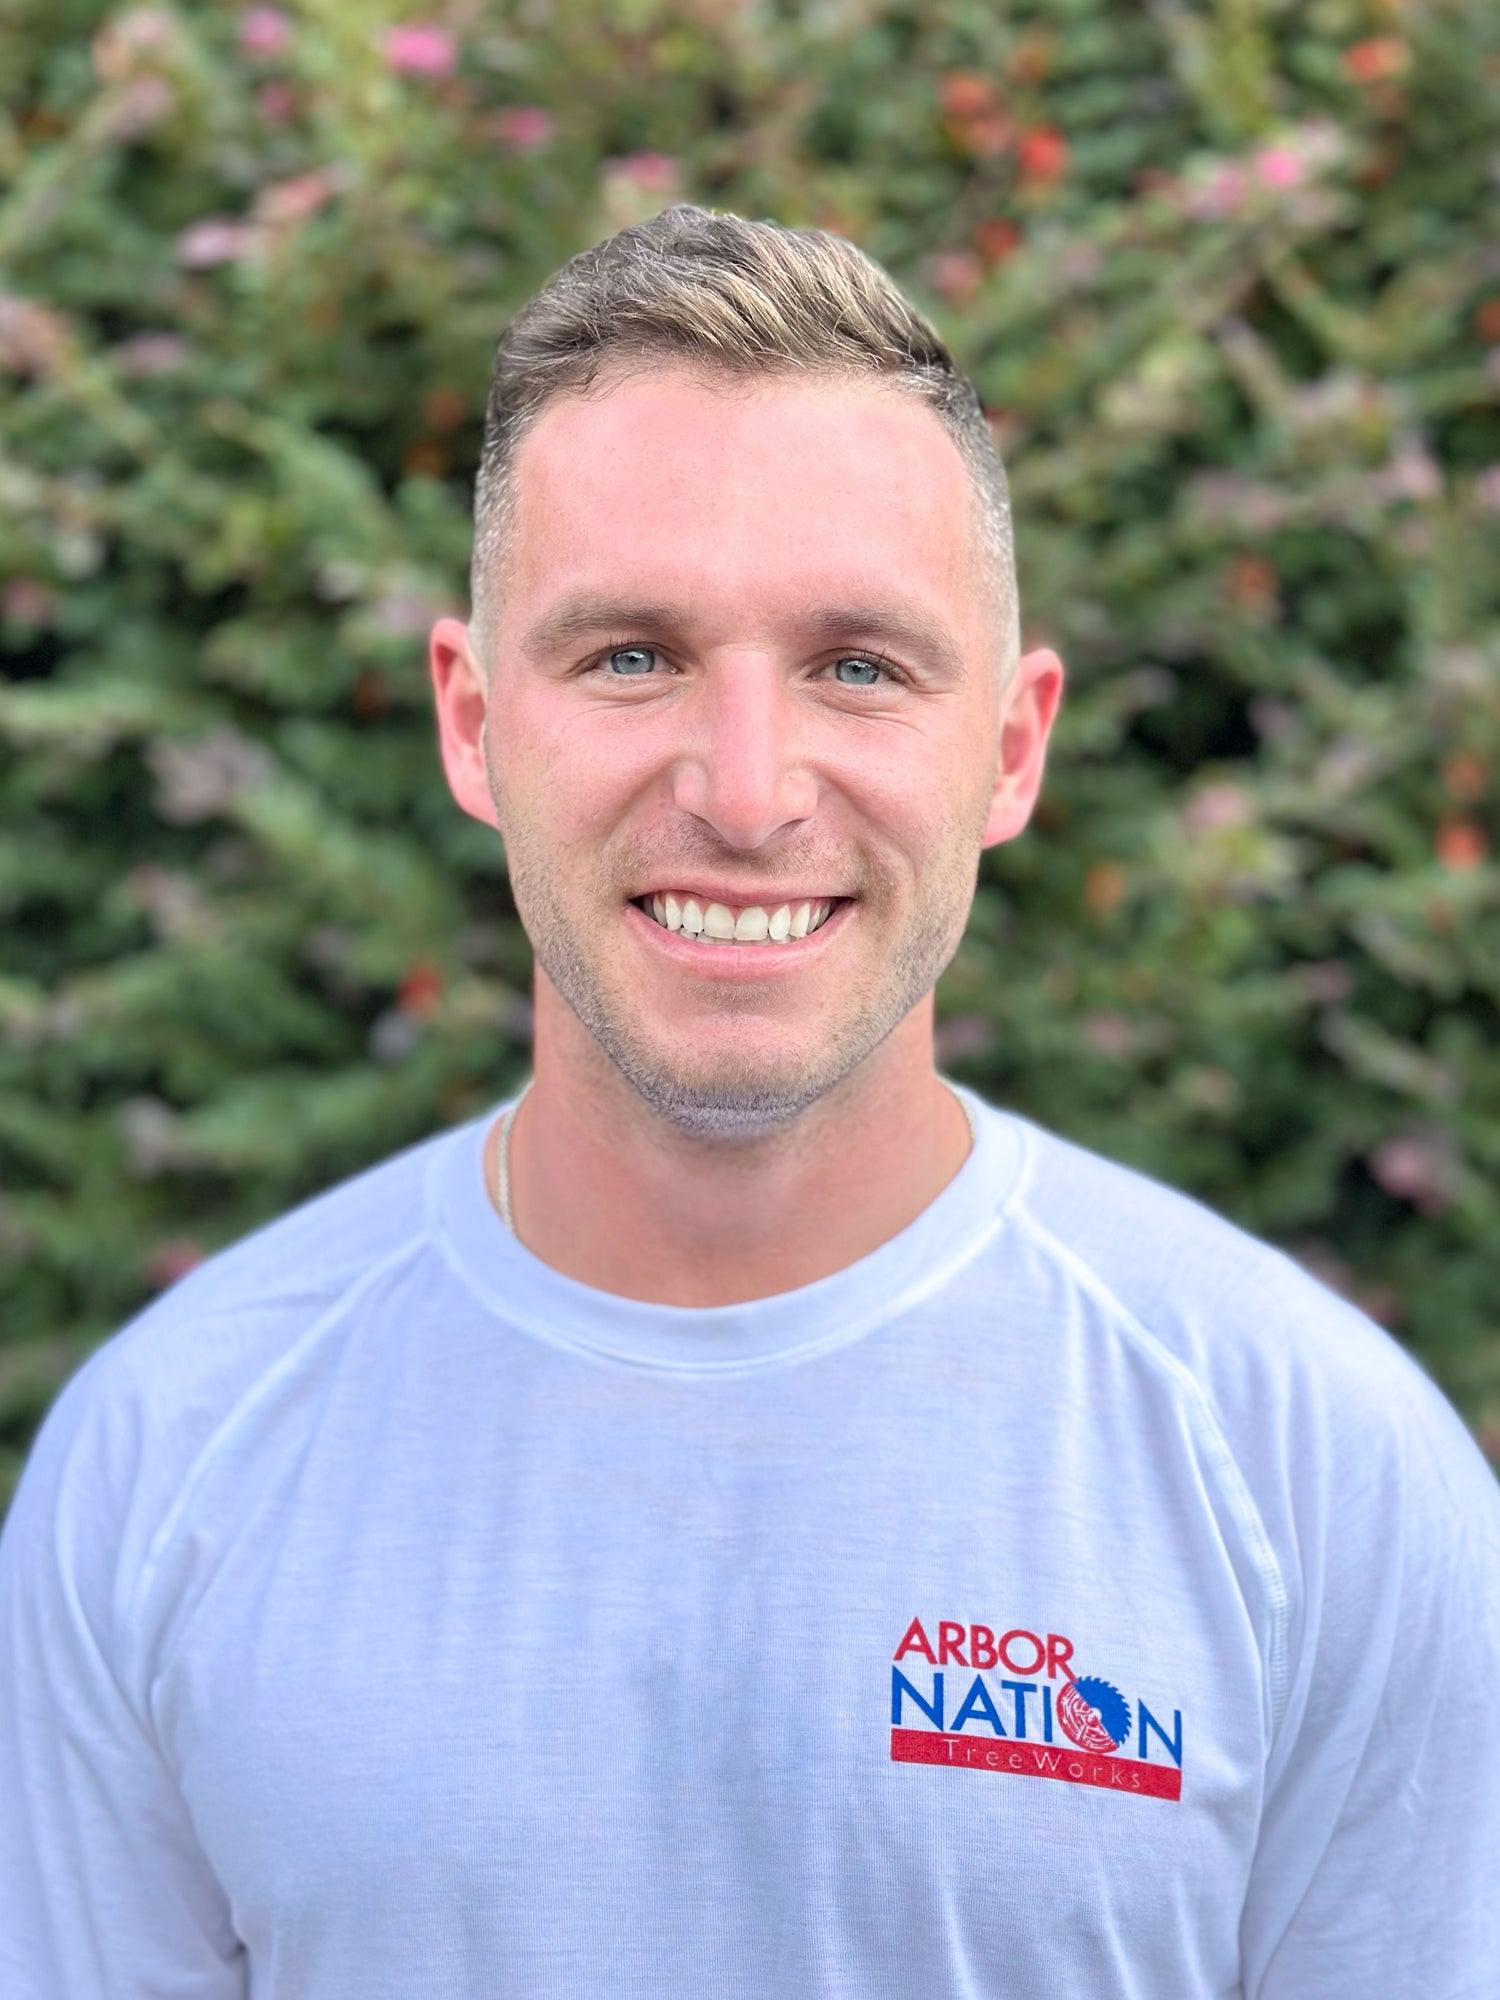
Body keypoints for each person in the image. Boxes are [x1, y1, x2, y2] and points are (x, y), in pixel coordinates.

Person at [2, 205, 1498, 2000]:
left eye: (858, 667)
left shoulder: (1313, 1468)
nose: (744, 787)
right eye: (630, 656)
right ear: (471, 723)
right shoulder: (166, 1458)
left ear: (1011, 747)